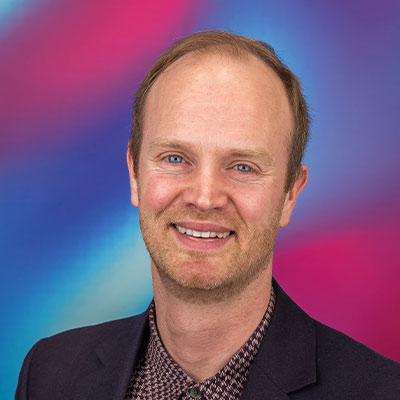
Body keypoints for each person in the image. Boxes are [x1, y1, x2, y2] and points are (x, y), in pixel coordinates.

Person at [16, 30, 399, 400]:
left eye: (243, 167)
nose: (204, 197)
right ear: (135, 174)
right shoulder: (50, 374)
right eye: (175, 159)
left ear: (289, 194)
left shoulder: (382, 391)